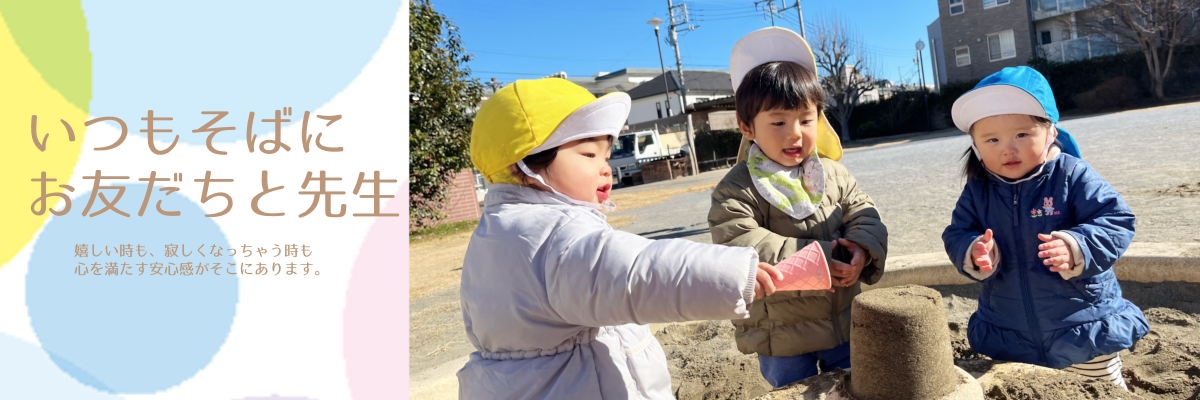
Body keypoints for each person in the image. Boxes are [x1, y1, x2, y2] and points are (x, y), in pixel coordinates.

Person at [457, 77, 786, 399]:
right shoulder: (553, 236)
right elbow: (637, 271)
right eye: (589, 155)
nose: (606, 169)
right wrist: (728, 273)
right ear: (522, 166)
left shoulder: (497, 232)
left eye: (607, 156)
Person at [942, 66, 1149, 389]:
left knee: (1099, 391)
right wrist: (973, 250)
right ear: (976, 146)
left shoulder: (1071, 174)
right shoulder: (978, 189)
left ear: (1050, 132)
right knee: (1025, 390)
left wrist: (1076, 245)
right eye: (991, 139)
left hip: (1082, 326)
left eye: (1022, 135)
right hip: (1009, 329)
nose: (1007, 149)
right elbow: (957, 231)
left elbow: (1116, 219)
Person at [707, 27, 889, 389]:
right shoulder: (737, 187)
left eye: (806, 120)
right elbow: (741, 243)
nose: (795, 133)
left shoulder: (831, 172)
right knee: (792, 392)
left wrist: (861, 248)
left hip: (840, 320)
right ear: (747, 127)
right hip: (781, 335)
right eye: (778, 122)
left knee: (856, 385)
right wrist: (821, 258)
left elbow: (863, 211)